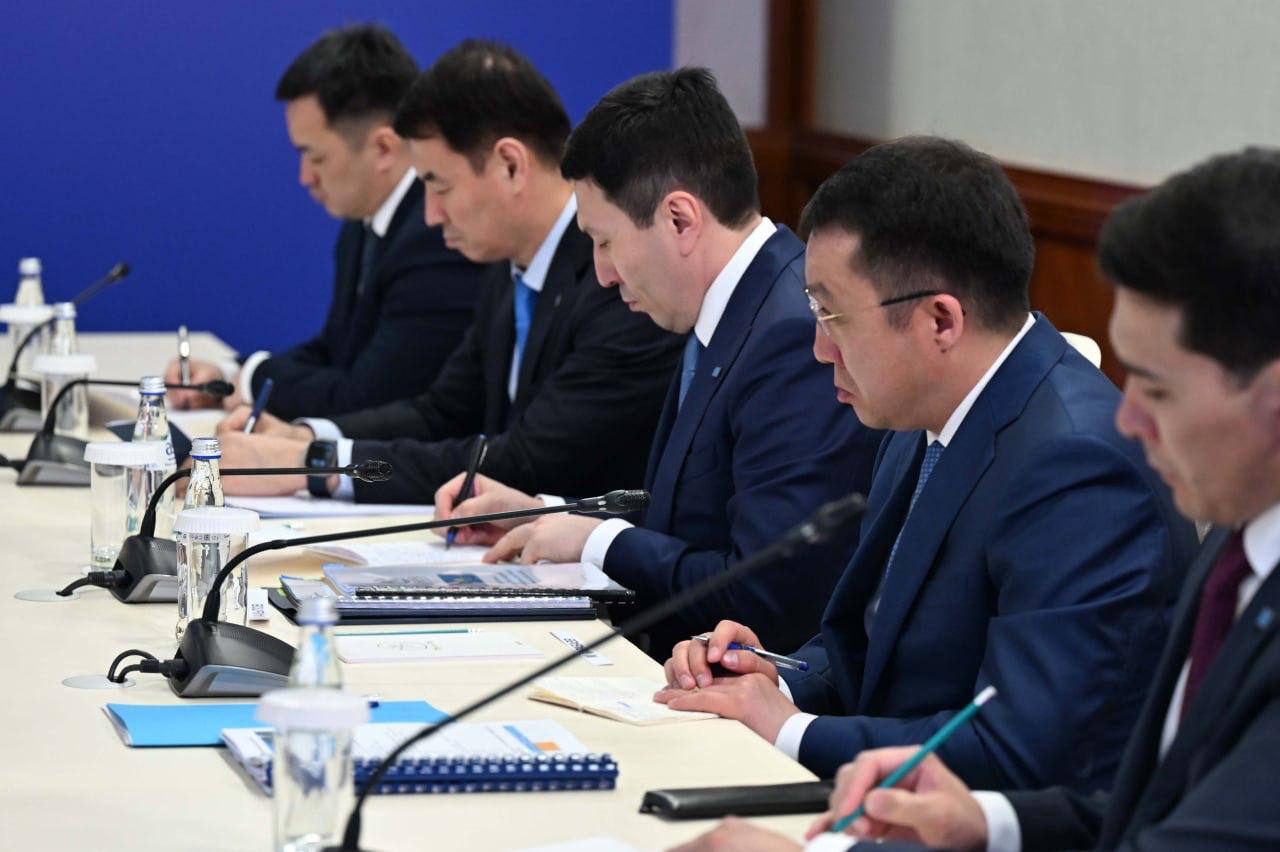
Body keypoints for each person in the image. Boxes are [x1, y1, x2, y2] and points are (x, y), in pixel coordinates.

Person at [672, 147, 1280, 852]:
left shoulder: (1081, 466)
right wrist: (777, 680)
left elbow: (1034, 756)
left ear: (940, 321)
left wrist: (792, 737)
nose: (1130, 418)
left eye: (1158, 387)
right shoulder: (925, 418)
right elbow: (1134, 811)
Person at [431, 68, 883, 655]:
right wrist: (544, 516)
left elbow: (765, 593)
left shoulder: (792, 336)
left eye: (605, 241)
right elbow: (689, 523)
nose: (602, 274)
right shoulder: (727, 308)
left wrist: (599, 543)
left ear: (679, 219)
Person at [214, 40, 681, 505]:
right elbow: (440, 413)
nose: (431, 216)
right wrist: (308, 439)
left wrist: (317, 466)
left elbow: (528, 461)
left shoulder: (618, 278)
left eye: (440, 187)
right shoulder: (507, 265)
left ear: (510, 166)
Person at [167, 24, 483, 420]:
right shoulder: (364, 224)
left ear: (383, 148)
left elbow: (367, 397)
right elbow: (335, 351)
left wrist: (251, 381)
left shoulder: (437, 237)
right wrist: (229, 375)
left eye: (315, 157)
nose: (305, 177)